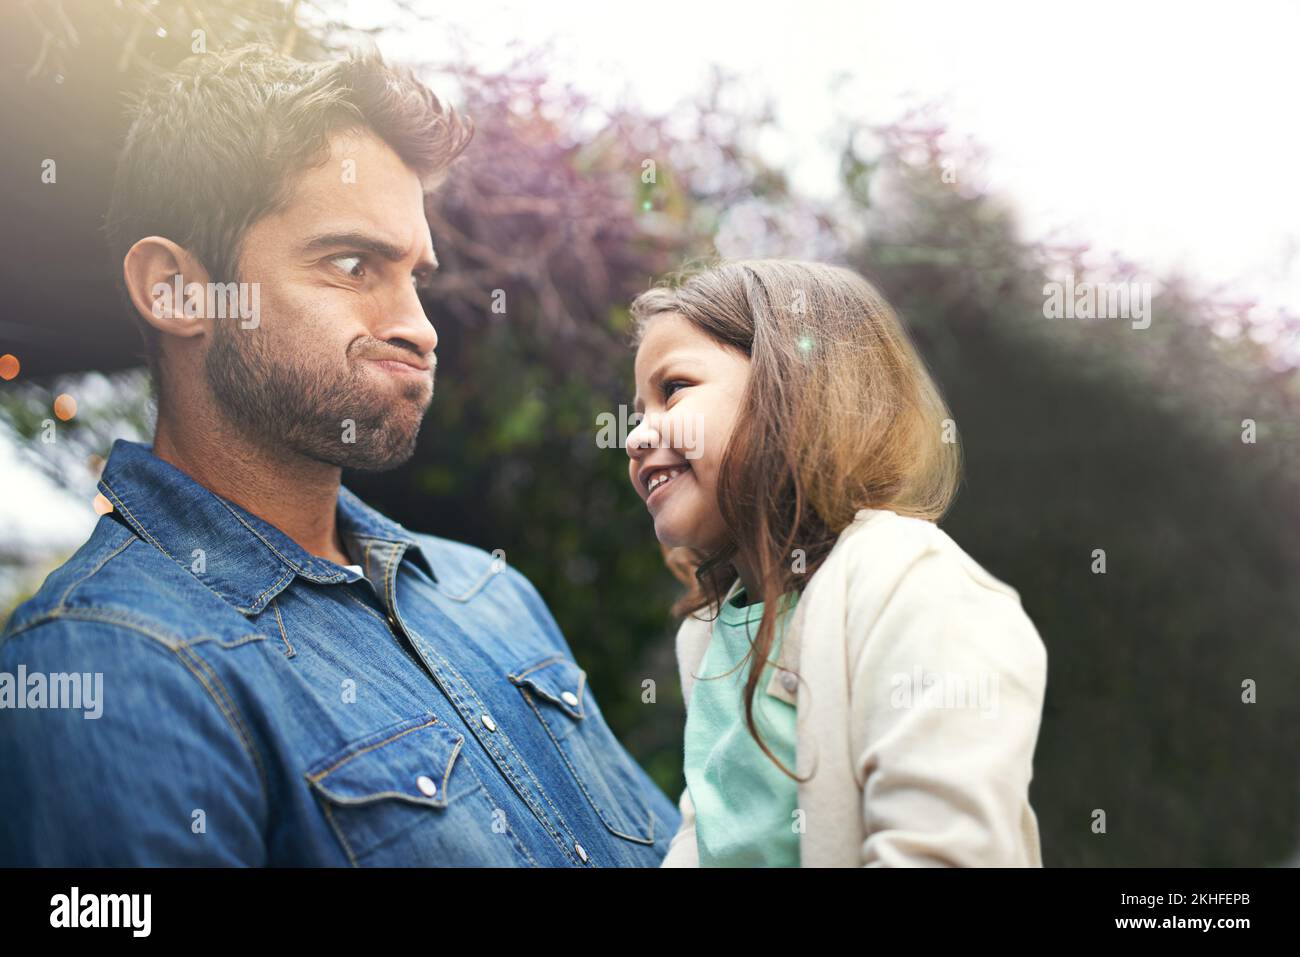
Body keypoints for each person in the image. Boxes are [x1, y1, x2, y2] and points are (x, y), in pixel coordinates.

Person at [0, 44, 679, 866]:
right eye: (353, 264)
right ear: (177, 291)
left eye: (416, 276)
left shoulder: (488, 593)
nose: (421, 328)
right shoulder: (107, 661)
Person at [624, 259, 1048, 866]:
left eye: (674, 390)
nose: (636, 436)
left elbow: (943, 850)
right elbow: (706, 834)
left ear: (796, 388)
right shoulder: (707, 635)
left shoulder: (910, 586)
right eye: (638, 413)